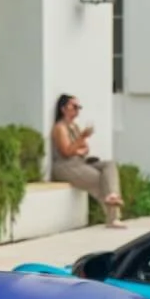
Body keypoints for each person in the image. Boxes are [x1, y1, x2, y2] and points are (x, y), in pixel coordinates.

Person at [50, 95, 123, 226]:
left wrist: (78, 146)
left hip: (79, 162)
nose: (77, 110)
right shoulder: (60, 128)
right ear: (63, 109)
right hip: (66, 166)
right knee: (98, 178)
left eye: (79, 107)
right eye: (74, 107)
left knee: (109, 165)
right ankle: (113, 218)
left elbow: (85, 149)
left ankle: (113, 195)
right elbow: (66, 152)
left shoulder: (75, 127)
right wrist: (81, 138)